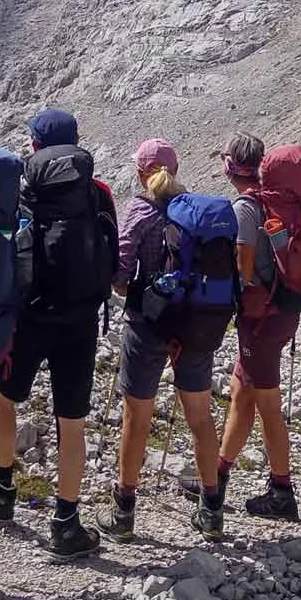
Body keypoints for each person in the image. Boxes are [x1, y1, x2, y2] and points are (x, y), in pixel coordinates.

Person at [0, 108, 114, 560]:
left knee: (3, 398)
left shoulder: (23, 194)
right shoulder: (99, 194)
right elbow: (111, 261)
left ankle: (0, 492)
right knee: (70, 423)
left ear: (34, 147)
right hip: (81, 322)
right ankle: (66, 523)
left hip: (28, 319)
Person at [102, 139, 239, 541]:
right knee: (200, 417)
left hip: (149, 326)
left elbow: (121, 271)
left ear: (141, 172)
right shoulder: (196, 212)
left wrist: (135, 291)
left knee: (137, 416)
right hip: (197, 325)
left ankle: (124, 512)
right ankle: (211, 511)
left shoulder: (141, 210)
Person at [204, 133, 301, 519]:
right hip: (281, 309)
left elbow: (244, 264)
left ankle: (282, 490)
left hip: (259, 316)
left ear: (231, 165)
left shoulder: (246, 205)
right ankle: (217, 474)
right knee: (241, 391)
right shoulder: (274, 198)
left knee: (267, 405)